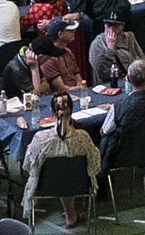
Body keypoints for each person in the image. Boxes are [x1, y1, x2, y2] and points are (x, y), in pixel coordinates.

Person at [21, 92, 99, 229]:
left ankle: (70, 213)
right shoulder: (84, 138)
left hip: (46, 186)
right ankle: (71, 213)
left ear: (52, 112)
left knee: (63, 173)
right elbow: (94, 166)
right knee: (68, 173)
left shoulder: (40, 139)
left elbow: (28, 166)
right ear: (72, 110)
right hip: (78, 184)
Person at [97, 60, 145, 194]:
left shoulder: (118, 107)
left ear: (127, 79)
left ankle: (100, 182)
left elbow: (103, 131)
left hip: (118, 157)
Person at [89, 11, 143, 86]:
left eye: (115, 26)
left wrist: (133, 74)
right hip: (109, 83)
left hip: (132, 79)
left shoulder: (129, 38)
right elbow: (102, 73)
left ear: (122, 26)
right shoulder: (97, 44)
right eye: (109, 26)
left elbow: (141, 59)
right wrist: (110, 49)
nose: (111, 30)